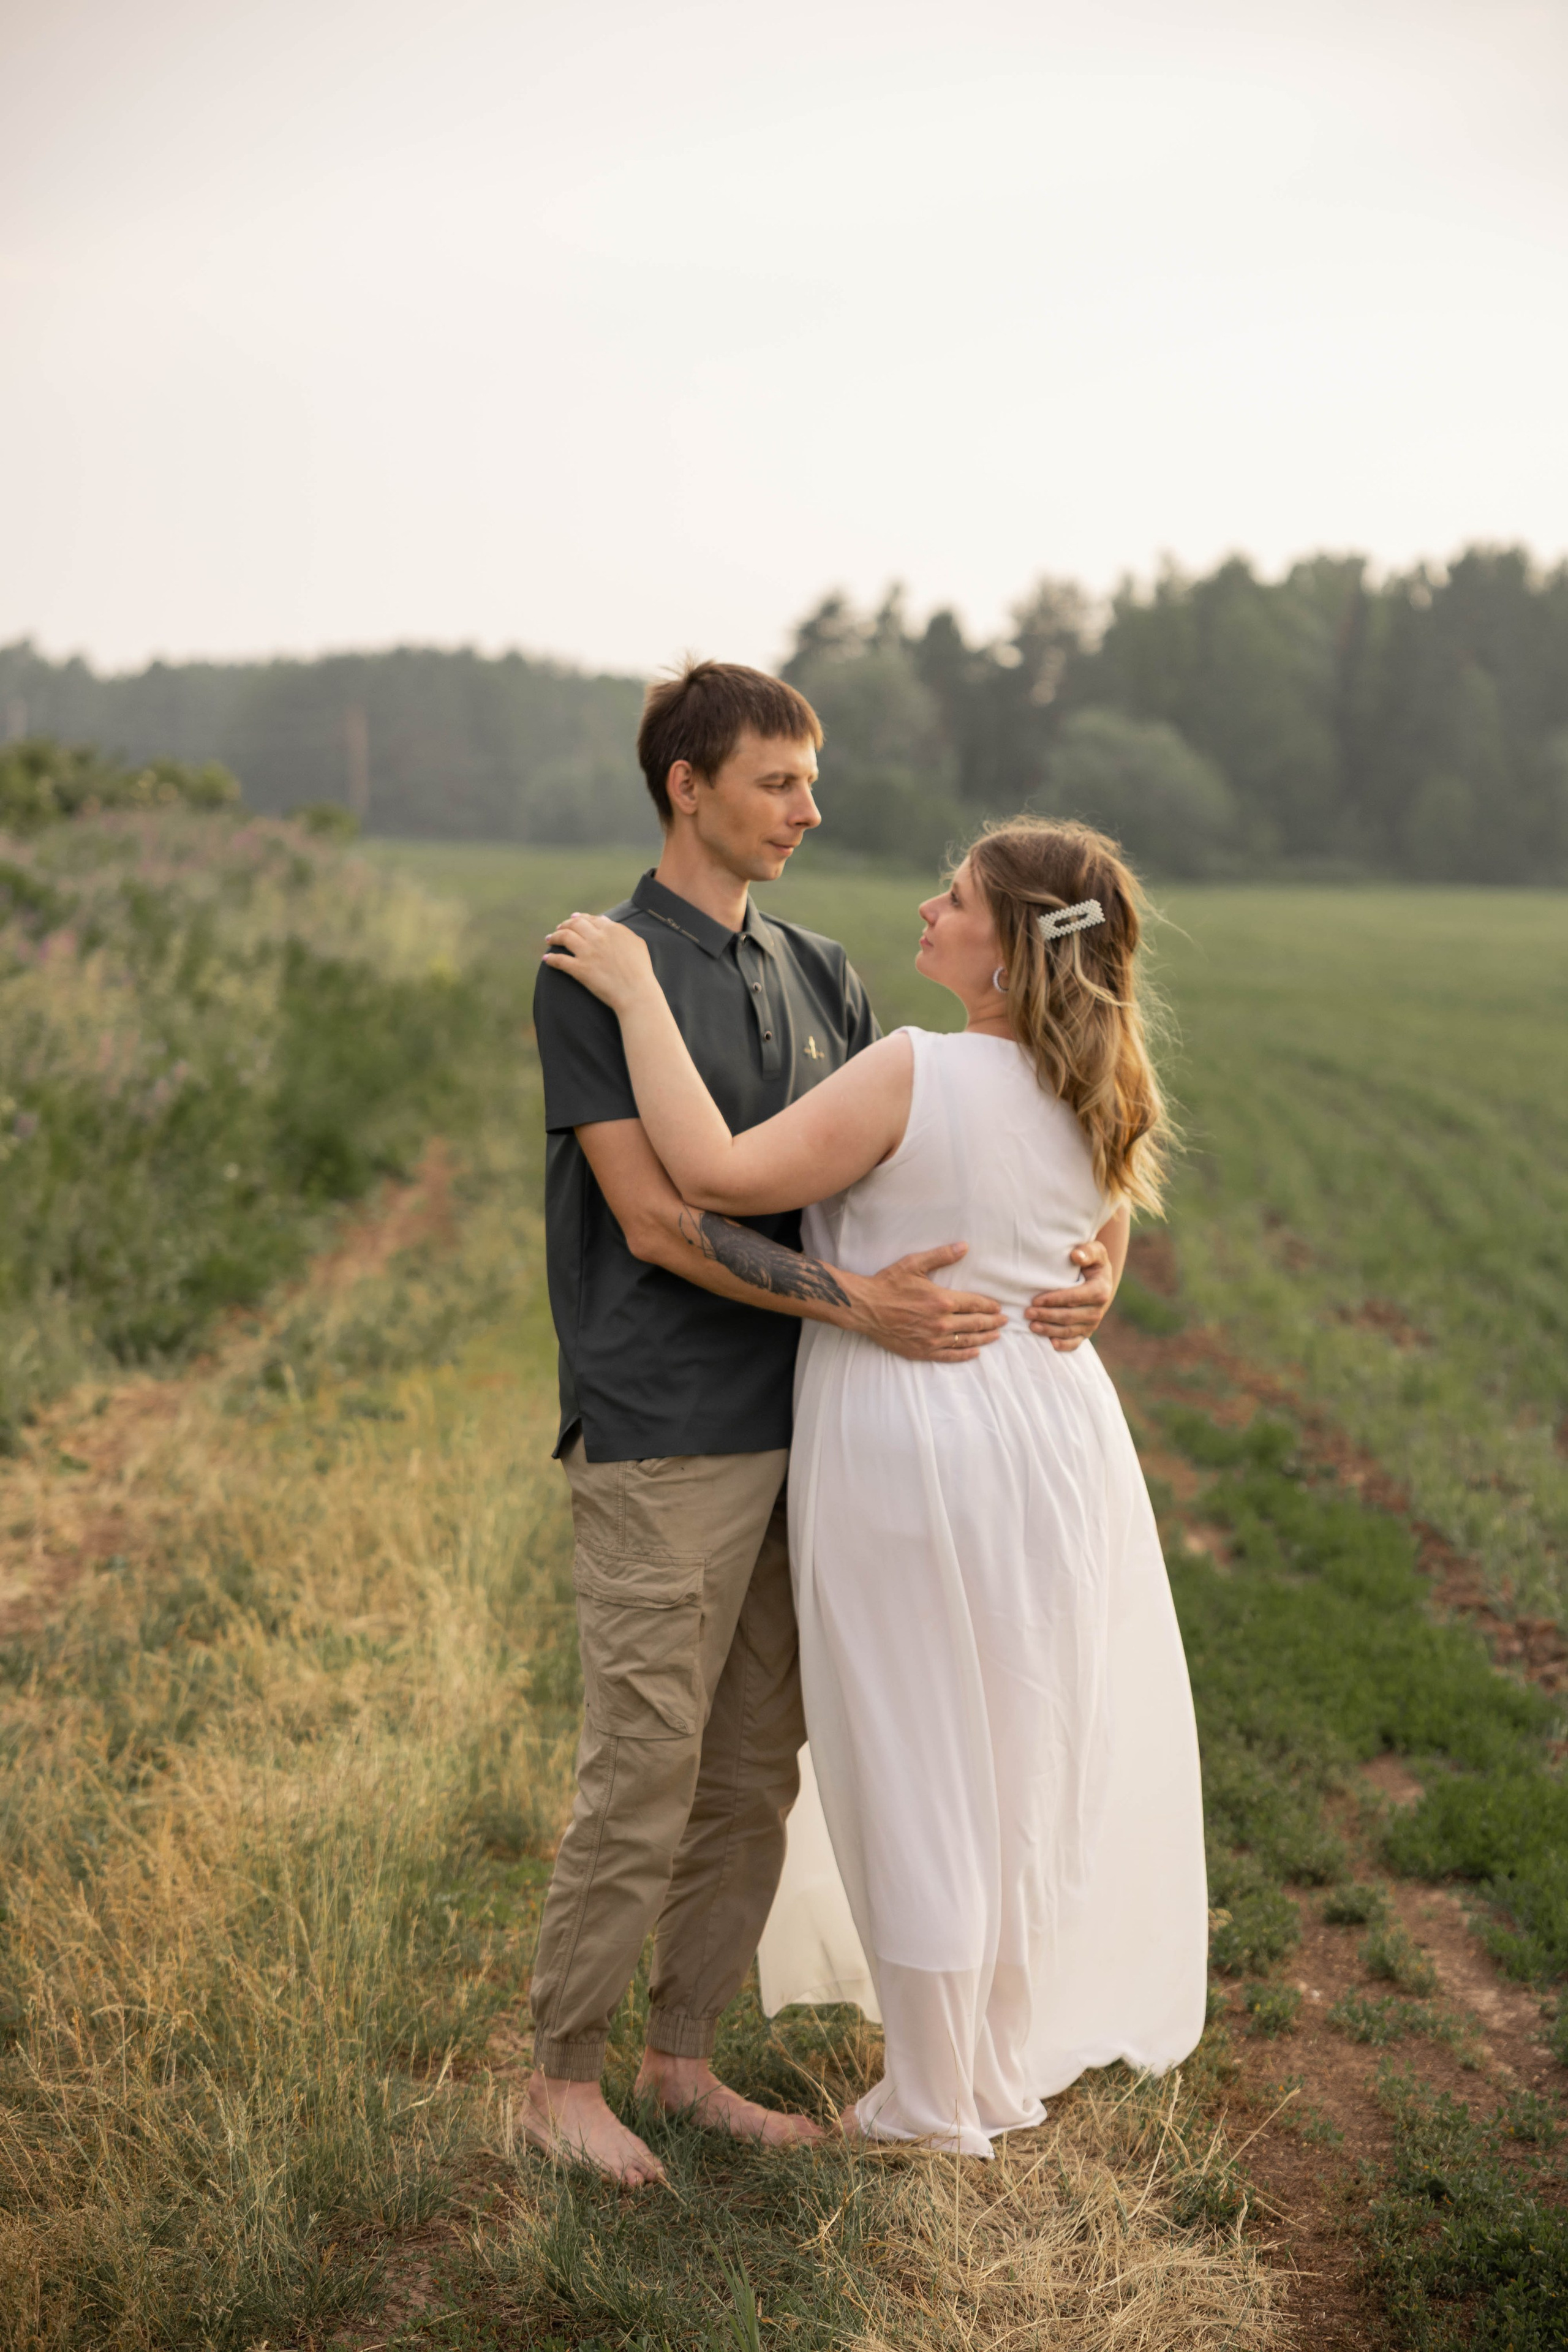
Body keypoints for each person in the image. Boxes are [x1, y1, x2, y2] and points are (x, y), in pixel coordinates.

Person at [526, 663, 1120, 2184]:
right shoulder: (597, 968)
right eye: (778, 781)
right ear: (688, 787)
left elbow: (928, 1163)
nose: (809, 807)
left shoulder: (820, 970)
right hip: (669, 1424)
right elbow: (662, 1222)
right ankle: (560, 2079)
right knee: (644, 1758)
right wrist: (864, 1310)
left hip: (821, 1433)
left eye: (808, 779)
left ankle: (683, 2058)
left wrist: (1088, 1247)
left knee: (750, 1764)